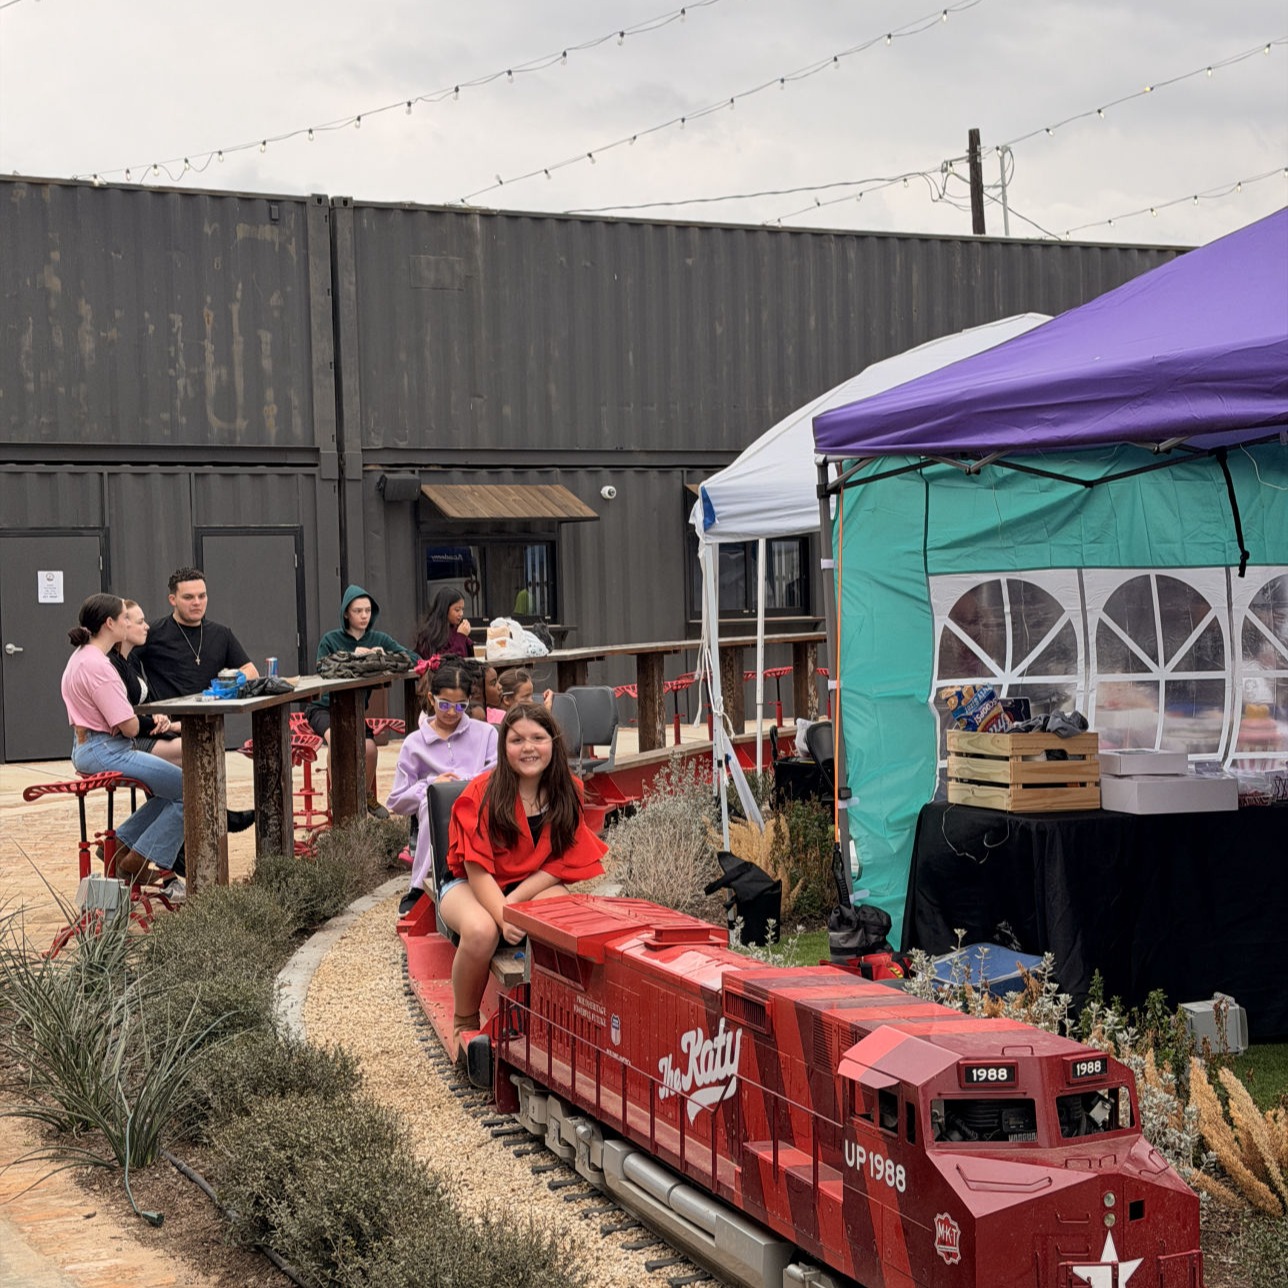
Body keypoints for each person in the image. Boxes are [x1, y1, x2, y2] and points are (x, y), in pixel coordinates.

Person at [440, 702, 606, 1048]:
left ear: (553, 743)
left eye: (538, 738)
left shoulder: (568, 791)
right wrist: (502, 914)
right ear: (504, 747)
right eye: (517, 740)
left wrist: (514, 902)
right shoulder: (481, 792)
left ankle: (556, 1016)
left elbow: (560, 862)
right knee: (481, 931)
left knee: (565, 920)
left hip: (526, 884)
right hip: (470, 884)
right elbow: (476, 868)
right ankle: (464, 1019)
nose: (528, 747)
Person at [60, 594, 186, 898]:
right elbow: (128, 726)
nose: (130, 623)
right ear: (110, 624)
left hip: (89, 746)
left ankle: (121, 849)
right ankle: (136, 862)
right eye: (125, 618)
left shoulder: (79, 657)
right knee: (189, 790)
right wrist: (153, 722)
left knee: (171, 791)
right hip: (106, 748)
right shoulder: (99, 666)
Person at [386, 662, 498, 916]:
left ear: (470, 701)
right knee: (432, 801)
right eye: (444, 704)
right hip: (435, 813)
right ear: (431, 699)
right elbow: (397, 800)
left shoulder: (486, 734)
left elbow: (497, 772)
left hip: (479, 803)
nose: (451, 713)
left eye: (460, 706)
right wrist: (432, 786)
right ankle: (420, 885)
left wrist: (464, 782)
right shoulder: (414, 743)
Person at [307, 584, 417, 818]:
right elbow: (322, 667)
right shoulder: (331, 639)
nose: (364, 615)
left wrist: (381, 656)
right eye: (358, 611)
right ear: (346, 613)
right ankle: (338, 796)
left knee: (369, 749)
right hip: (325, 707)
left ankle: (363, 796)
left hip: (354, 711)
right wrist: (353, 657)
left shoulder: (379, 638)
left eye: (368, 610)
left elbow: (412, 658)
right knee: (337, 740)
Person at [141, 567, 258, 700]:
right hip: (166, 718)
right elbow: (123, 664)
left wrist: (234, 680)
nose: (197, 602)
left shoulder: (221, 634)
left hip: (211, 717)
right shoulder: (152, 632)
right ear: (172, 600)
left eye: (202, 596)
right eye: (188, 597)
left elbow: (251, 671)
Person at [109, 600, 182, 765]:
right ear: (123, 626)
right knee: (193, 748)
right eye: (140, 622)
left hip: (143, 732)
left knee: (196, 743)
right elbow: (125, 716)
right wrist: (158, 723)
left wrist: (158, 717)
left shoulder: (131, 659)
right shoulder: (111, 663)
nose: (147, 626)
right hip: (125, 740)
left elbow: (142, 702)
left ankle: (166, 791)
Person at [414, 586, 472, 660]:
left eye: (462, 609)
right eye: (457, 610)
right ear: (445, 610)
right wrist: (461, 636)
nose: (461, 614)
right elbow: (444, 662)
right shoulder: (431, 634)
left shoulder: (455, 629)